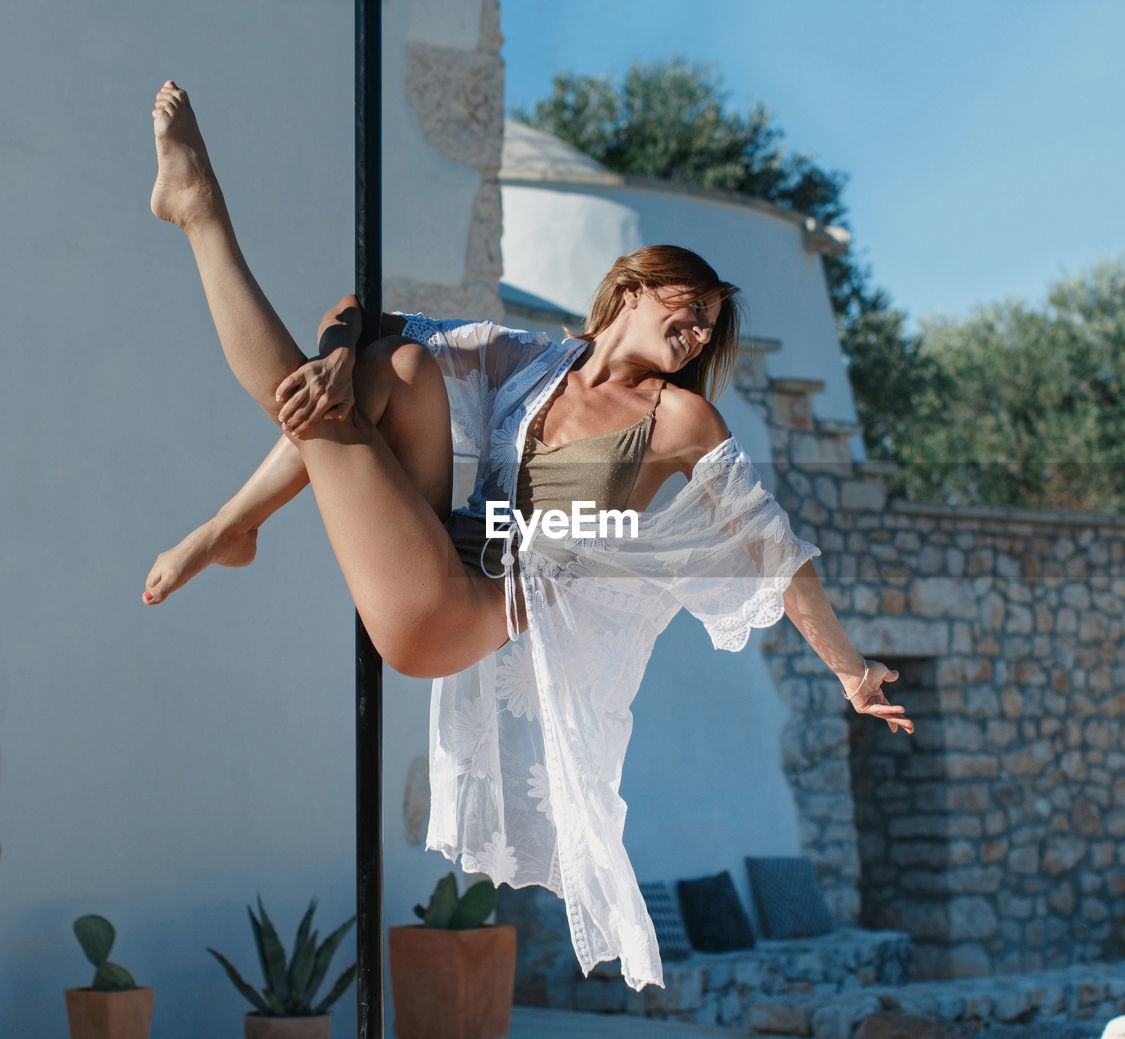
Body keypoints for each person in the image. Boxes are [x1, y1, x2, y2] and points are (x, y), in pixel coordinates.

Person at [145, 81, 913, 988]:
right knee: (389, 364)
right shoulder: (534, 358)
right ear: (630, 287)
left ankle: (200, 215)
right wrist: (339, 350)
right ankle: (234, 528)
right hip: (450, 534)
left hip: (462, 607)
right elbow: (364, 311)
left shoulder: (681, 421)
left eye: (710, 323)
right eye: (690, 302)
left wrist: (850, 670)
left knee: (330, 413)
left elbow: (773, 552)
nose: (701, 326)